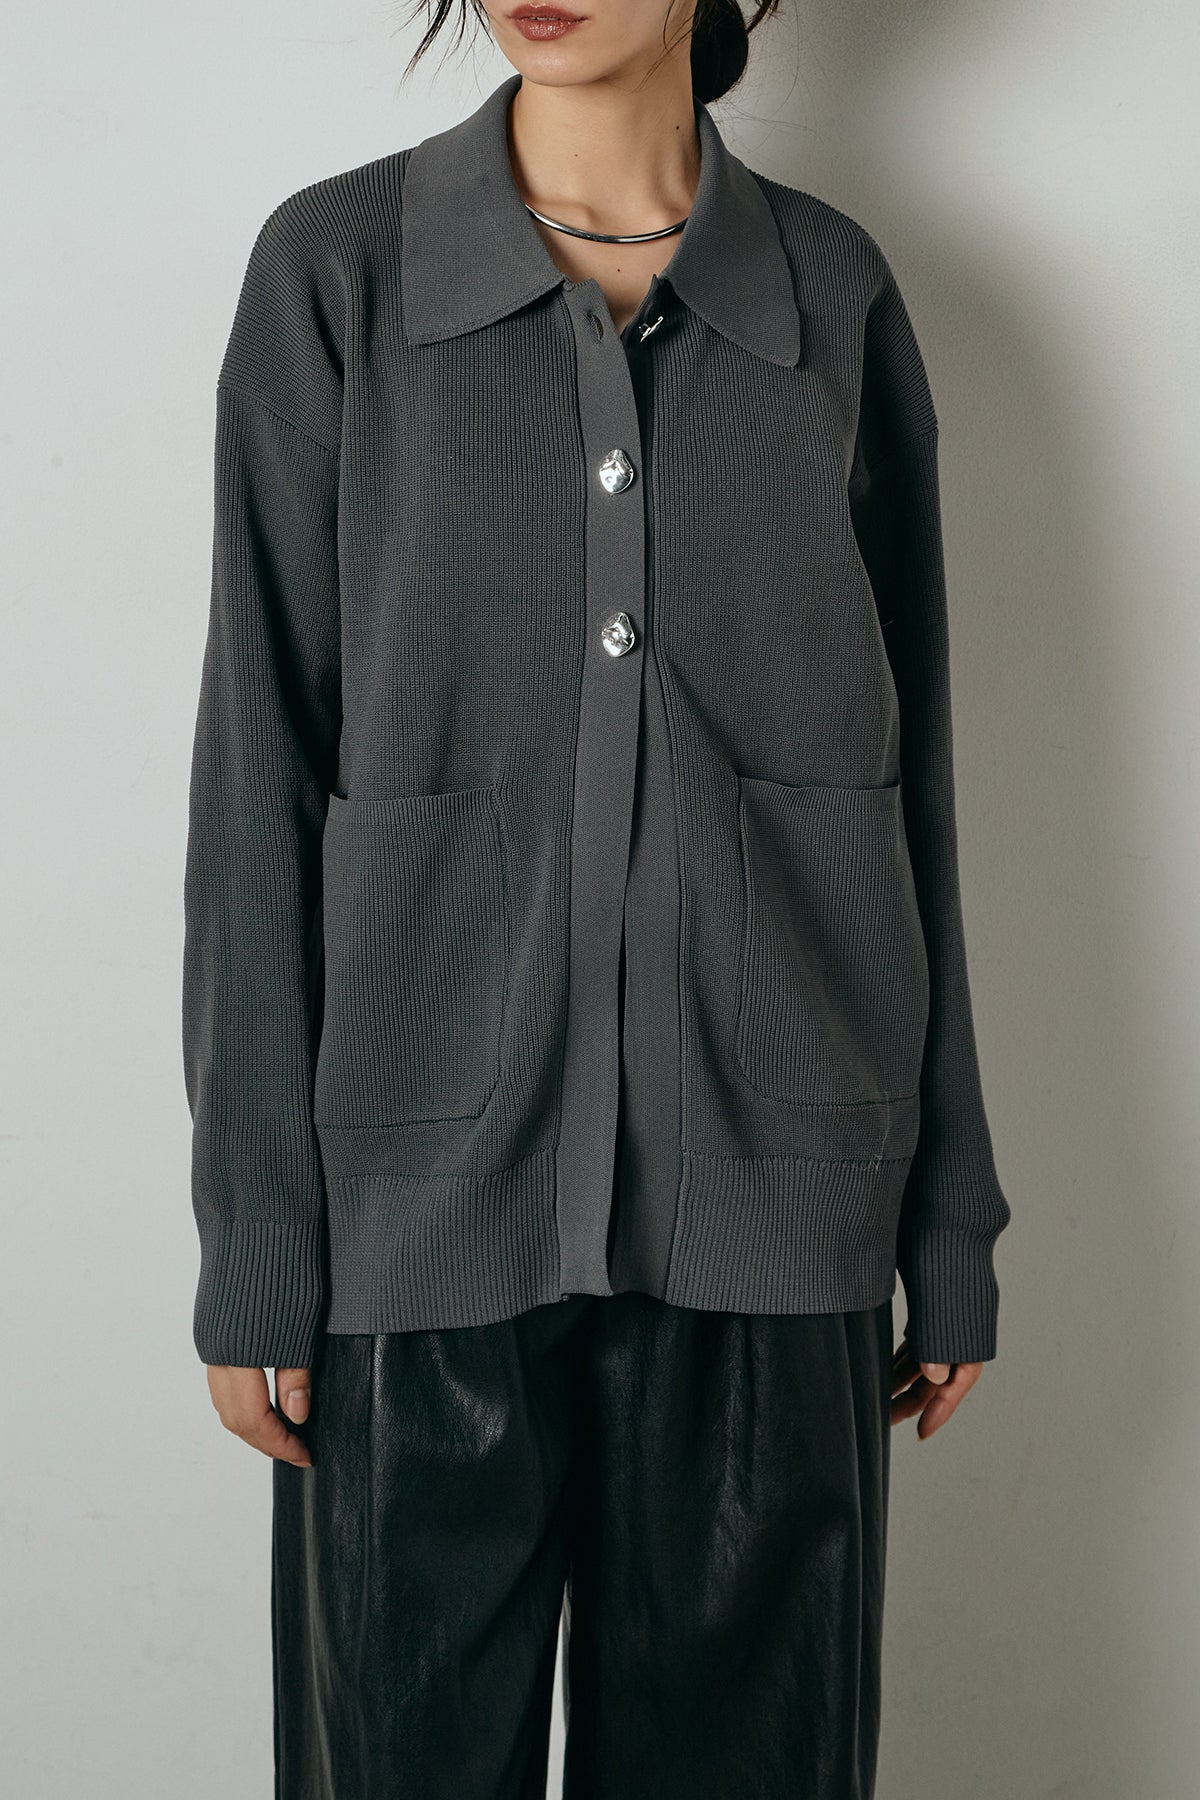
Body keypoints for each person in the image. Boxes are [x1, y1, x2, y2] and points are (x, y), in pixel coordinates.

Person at [181, 1, 1013, 1794]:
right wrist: (257, 1241)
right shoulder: (342, 273)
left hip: (777, 1209)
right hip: (415, 1212)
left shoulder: (831, 292)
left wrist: (950, 1211)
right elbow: (258, 772)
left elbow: (909, 787)